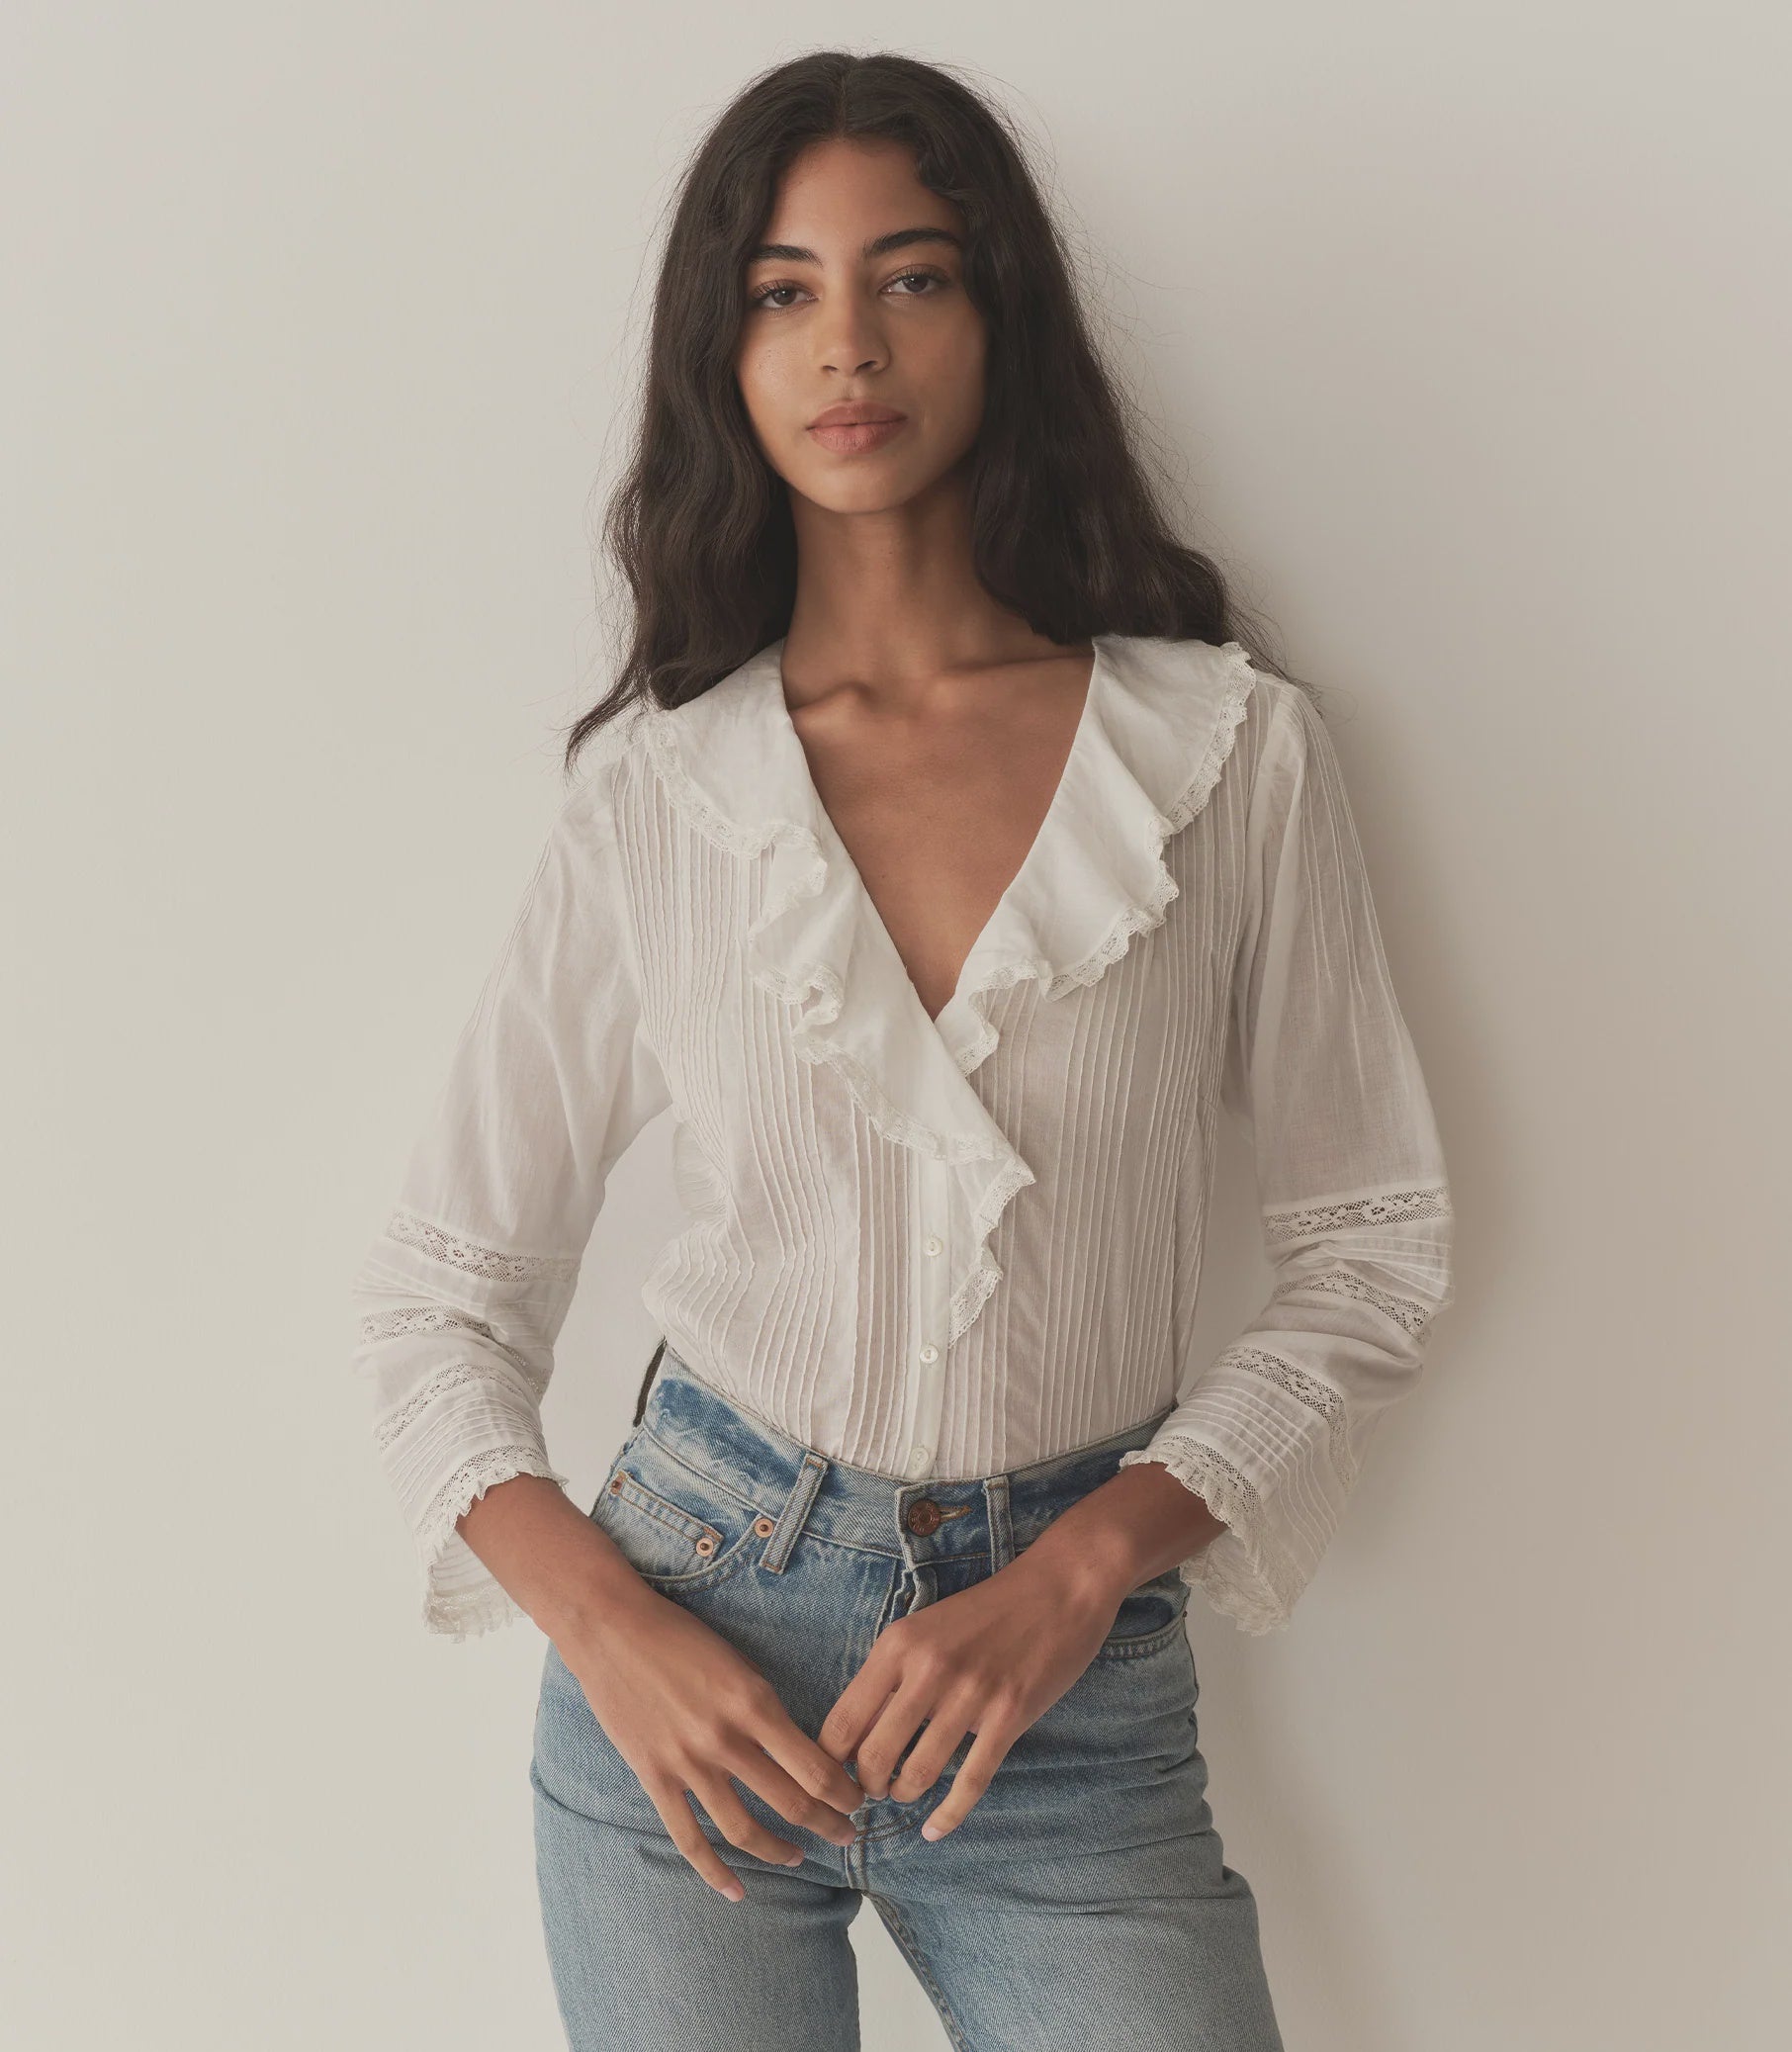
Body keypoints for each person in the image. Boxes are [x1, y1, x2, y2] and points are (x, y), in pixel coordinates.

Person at [348, 49, 1456, 2052]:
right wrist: (612, 1634)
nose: (847, 341)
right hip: (693, 1661)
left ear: (998, 314)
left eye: (911, 277)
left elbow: (1372, 1245)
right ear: (727, 355)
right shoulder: (659, 806)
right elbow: (435, 1300)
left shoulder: (1221, 757)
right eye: (782, 291)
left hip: (1072, 1699)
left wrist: (1091, 1565)